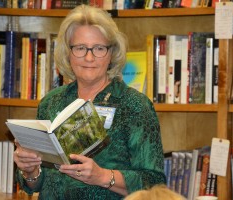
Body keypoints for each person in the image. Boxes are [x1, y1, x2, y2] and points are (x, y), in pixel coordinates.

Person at [13, 4, 166, 199]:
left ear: (111, 53)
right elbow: (37, 184)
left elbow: (155, 185)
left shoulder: (134, 105)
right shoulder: (51, 103)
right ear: (68, 53)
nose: (89, 57)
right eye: (80, 48)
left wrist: (102, 176)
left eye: (99, 48)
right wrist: (30, 171)